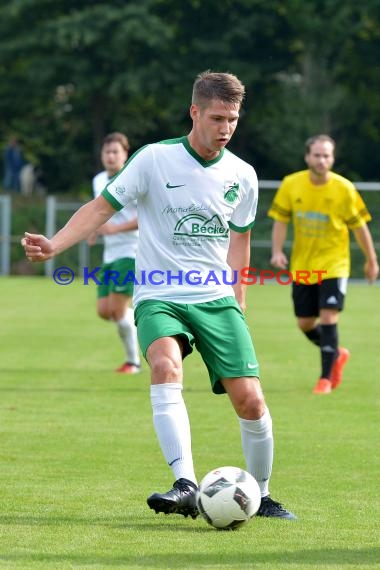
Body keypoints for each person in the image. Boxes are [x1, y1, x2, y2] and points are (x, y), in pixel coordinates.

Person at [22, 71, 296, 520]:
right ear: (194, 112)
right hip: (159, 295)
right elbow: (100, 208)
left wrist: (239, 296)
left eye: (233, 119)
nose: (226, 128)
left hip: (215, 298)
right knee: (166, 366)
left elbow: (240, 241)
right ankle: (185, 482)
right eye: (217, 117)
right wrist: (55, 244)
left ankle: (261, 495)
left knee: (251, 400)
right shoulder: (154, 159)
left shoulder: (242, 175)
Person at [268, 134, 379, 395]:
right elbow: (281, 220)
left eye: (327, 155)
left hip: (334, 264)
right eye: (317, 155)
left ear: (333, 158)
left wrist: (372, 261)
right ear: (307, 157)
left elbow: (360, 228)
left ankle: (325, 379)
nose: (322, 160)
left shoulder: (344, 189)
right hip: (304, 265)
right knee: (305, 323)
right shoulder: (291, 184)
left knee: (329, 317)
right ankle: (337, 353)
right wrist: (276, 251)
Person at [87, 132, 140, 374]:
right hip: (110, 254)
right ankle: (140, 320)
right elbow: (99, 212)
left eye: (115, 152)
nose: (110, 156)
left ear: (125, 154)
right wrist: (92, 230)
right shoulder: (98, 180)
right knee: (104, 311)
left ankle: (133, 362)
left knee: (117, 310)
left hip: (131, 252)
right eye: (106, 152)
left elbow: (146, 218)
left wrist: (116, 228)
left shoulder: (134, 179)